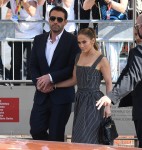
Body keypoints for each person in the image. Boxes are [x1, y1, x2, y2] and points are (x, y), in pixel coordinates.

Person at [30, 6, 80, 141]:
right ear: (48, 20)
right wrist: (39, 83)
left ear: (65, 22)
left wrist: (50, 78)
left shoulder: (73, 41)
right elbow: (32, 66)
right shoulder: (39, 39)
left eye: (59, 19)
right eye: (53, 18)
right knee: (36, 130)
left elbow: (71, 68)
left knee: (56, 136)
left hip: (61, 97)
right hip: (41, 95)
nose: (55, 22)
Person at [55, 28, 112, 144]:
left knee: (88, 137)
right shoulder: (78, 57)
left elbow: (108, 83)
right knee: (78, 137)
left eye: (84, 42)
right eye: (79, 42)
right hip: (80, 100)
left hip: (95, 102)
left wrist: (108, 106)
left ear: (92, 40)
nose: (81, 45)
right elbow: (74, 80)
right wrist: (55, 85)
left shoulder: (102, 59)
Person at [96, 14, 142, 148]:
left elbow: (132, 77)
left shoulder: (138, 51)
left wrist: (110, 97)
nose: (134, 30)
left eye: (137, 26)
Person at [83, 0, 128, 82]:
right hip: (102, 30)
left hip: (117, 29)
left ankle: (112, 91)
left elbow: (123, 8)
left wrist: (109, 1)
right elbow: (85, 6)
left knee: (111, 66)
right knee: (98, 66)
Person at [0, 0, 43, 80]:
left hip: (33, 34)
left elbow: (32, 11)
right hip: (17, 35)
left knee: (31, 64)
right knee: (15, 64)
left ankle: (31, 87)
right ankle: (13, 87)